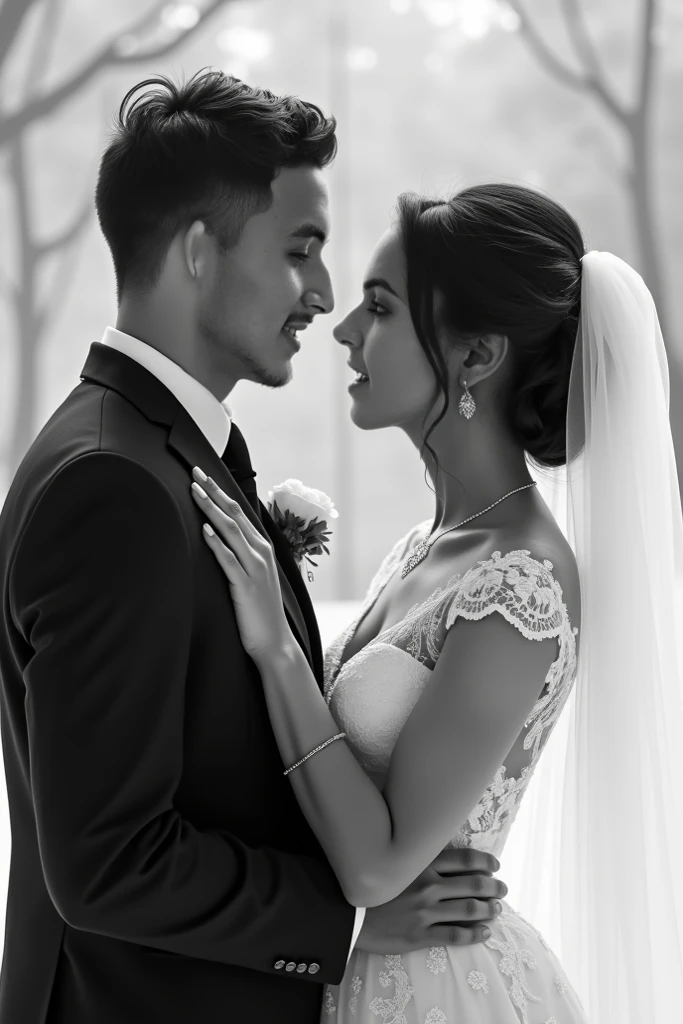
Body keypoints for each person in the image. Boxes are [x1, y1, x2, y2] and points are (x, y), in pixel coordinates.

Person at [0, 72, 505, 1024]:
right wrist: (353, 924)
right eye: (300, 251)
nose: (322, 294)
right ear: (199, 251)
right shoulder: (111, 485)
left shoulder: (166, 452)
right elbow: (108, 861)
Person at [192, 182, 683, 1022]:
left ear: (477, 357)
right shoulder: (423, 548)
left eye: (378, 309)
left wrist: (277, 649)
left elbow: (378, 868)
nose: (344, 327)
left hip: (436, 990)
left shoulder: (522, 582)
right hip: (345, 973)